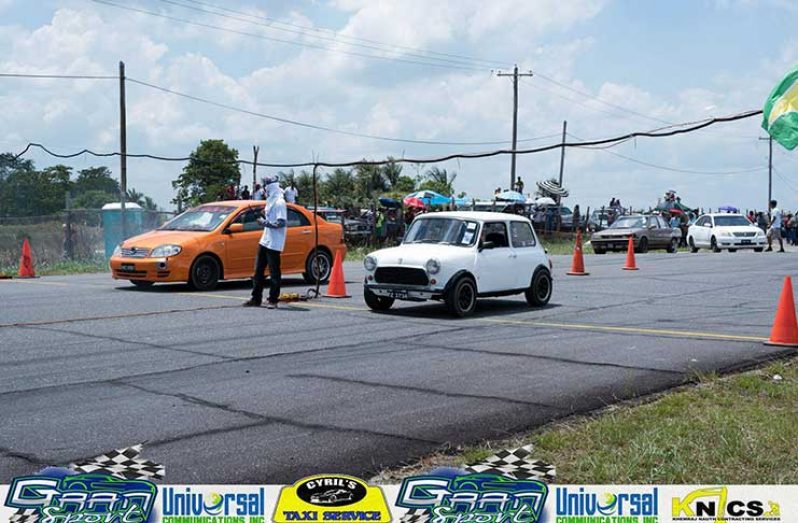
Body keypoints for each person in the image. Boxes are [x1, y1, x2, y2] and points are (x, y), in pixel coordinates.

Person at [243, 176, 287, 309]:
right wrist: (259, 215)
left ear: (271, 187)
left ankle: (273, 299)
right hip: (265, 239)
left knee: (274, 272)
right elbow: (268, 214)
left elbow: (281, 222)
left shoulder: (280, 202)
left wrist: (264, 223)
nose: (264, 188)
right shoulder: (270, 200)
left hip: (275, 242)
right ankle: (256, 298)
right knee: (258, 271)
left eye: (266, 186)